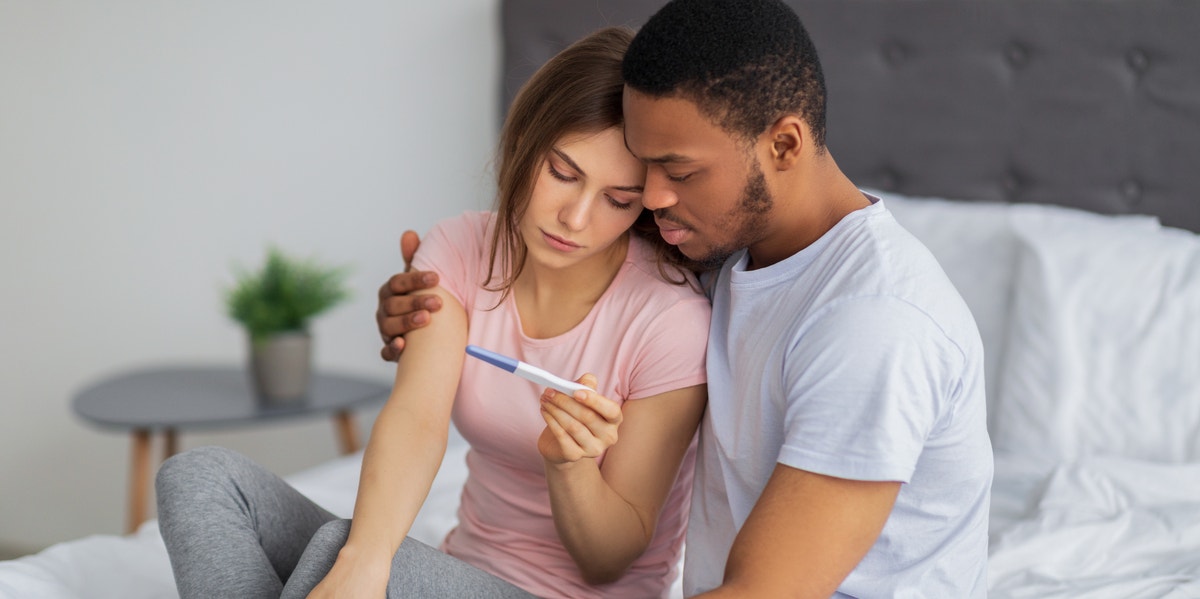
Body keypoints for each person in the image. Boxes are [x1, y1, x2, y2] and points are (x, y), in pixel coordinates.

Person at [376, 0, 994, 597]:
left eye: (679, 170)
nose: (650, 198)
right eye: (643, 173)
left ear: (783, 145)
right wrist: (419, 303)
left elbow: (761, 592)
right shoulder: (730, 255)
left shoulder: (874, 325)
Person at [156, 26, 711, 599]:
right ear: (524, 141)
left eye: (617, 200)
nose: (575, 217)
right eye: (563, 174)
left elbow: (609, 562)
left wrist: (570, 468)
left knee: (339, 552)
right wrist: (365, 564)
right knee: (203, 480)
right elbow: (418, 416)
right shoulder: (460, 247)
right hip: (453, 572)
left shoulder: (668, 322)